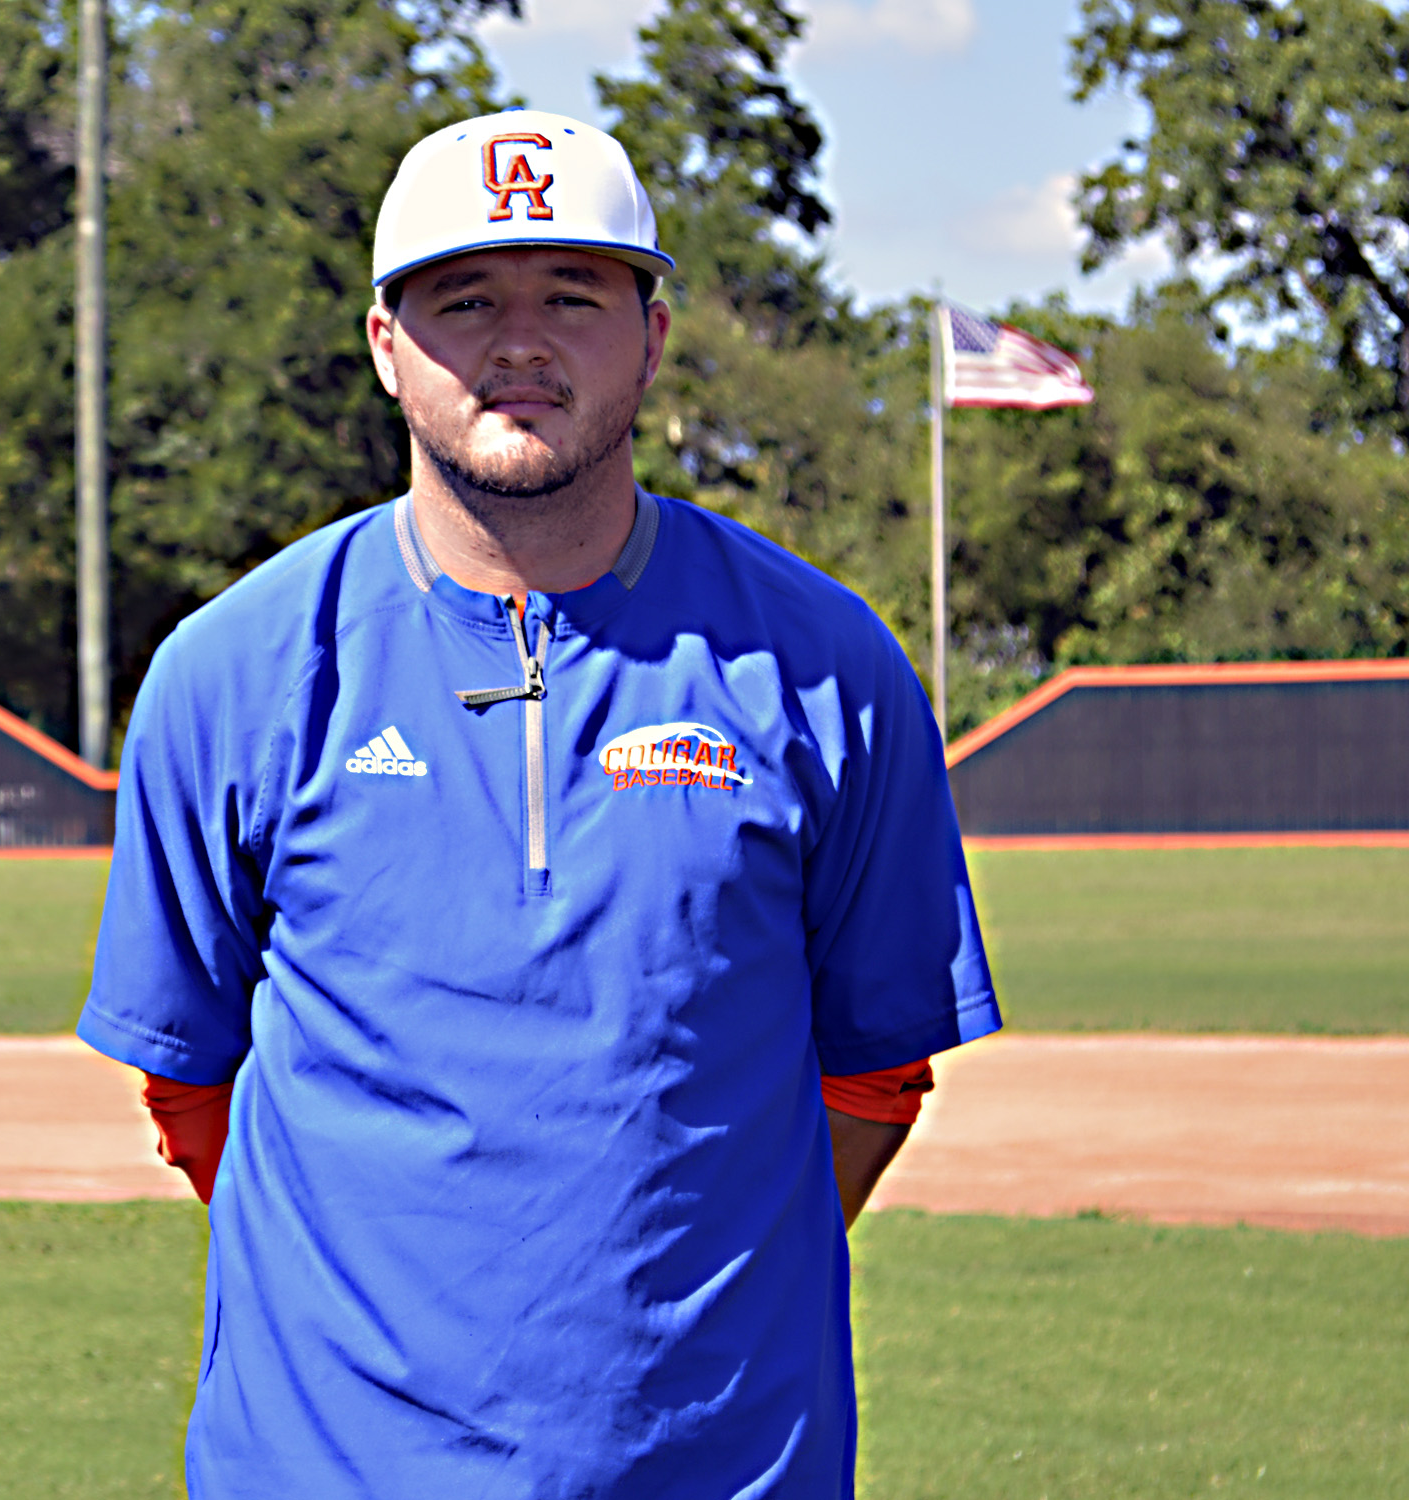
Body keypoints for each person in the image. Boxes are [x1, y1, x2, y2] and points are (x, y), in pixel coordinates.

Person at [77, 109, 1001, 1497]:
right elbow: (187, 1081)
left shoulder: (823, 664)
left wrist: (663, 1294)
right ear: (387, 346)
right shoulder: (236, 670)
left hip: (722, 1465)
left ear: (653, 333)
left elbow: (876, 1071)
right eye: (466, 300)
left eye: (573, 295)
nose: (520, 342)